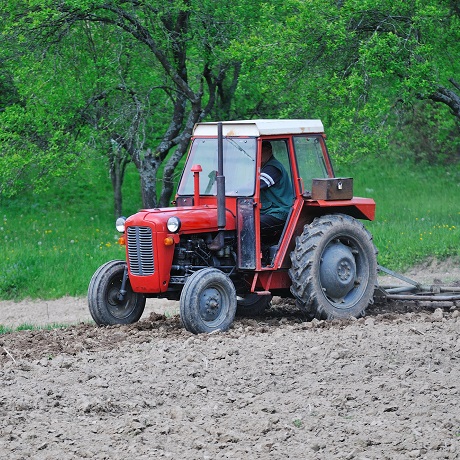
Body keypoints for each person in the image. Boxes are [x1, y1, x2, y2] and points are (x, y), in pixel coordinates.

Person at [259, 141, 292, 238]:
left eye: (262, 151)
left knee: (249, 223)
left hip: (279, 211)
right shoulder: (261, 167)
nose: (259, 155)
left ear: (269, 151)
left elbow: (258, 185)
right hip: (266, 210)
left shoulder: (273, 168)